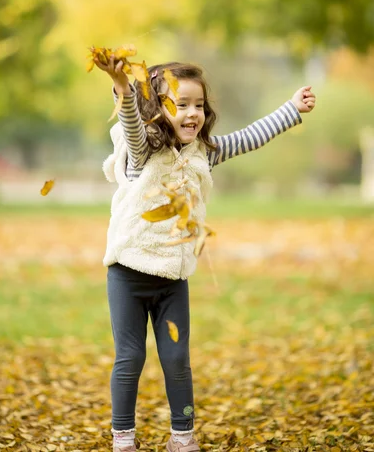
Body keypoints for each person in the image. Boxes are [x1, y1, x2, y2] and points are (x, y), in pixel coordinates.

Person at [96, 56, 316, 452]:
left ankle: (182, 437)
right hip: (128, 275)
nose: (192, 113)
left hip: (173, 280)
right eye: (181, 105)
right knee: (129, 358)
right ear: (157, 108)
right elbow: (130, 124)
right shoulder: (143, 151)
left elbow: (250, 137)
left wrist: (291, 109)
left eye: (198, 105)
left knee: (177, 359)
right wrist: (122, 87)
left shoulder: (204, 152)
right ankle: (123, 438)